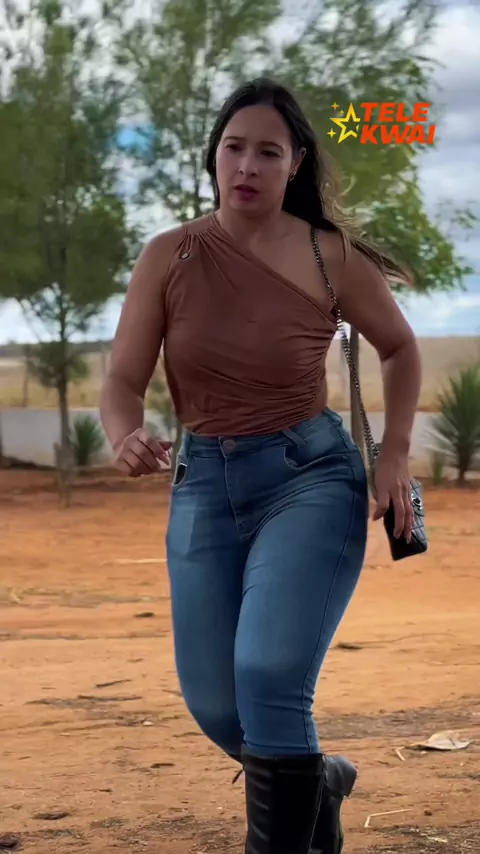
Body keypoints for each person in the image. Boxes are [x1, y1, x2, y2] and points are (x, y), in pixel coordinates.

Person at [100, 78, 421, 854]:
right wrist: (123, 433)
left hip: (309, 477)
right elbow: (121, 380)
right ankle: (321, 779)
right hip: (204, 486)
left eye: (268, 152)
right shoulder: (169, 254)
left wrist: (394, 457)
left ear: (295, 162)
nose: (247, 165)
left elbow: (401, 347)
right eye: (234, 147)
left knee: (271, 673)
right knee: (219, 705)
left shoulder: (326, 254)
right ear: (214, 156)